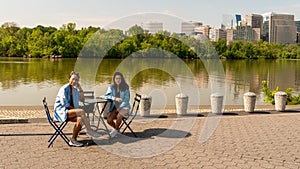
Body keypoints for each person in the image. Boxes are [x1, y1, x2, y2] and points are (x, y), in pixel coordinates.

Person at [54, 71, 100, 147]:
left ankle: (73, 140)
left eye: (76, 80)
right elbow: (65, 104)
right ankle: (89, 130)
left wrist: (80, 88)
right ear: (69, 79)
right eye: (73, 79)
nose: (75, 81)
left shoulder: (75, 90)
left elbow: (82, 99)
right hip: (61, 112)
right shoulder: (64, 89)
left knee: (80, 119)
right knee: (81, 111)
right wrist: (76, 111)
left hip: (70, 112)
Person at [105, 72, 130, 137]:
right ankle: (117, 130)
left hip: (125, 107)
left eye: (119, 78)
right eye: (116, 78)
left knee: (119, 116)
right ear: (114, 79)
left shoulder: (126, 87)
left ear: (122, 79)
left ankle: (115, 131)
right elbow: (106, 96)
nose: (118, 80)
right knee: (109, 120)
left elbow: (127, 99)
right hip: (114, 107)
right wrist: (114, 98)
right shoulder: (111, 87)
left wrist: (120, 107)